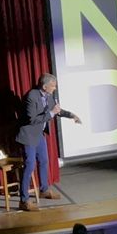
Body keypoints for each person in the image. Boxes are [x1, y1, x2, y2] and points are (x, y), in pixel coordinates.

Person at [15, 73, 81, 211]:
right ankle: (24, 200)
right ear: (45, 87)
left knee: (44, 161)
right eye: (53, 86)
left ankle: (44, 190)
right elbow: (32, 119)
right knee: (30, 165)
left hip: (39, 134)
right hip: (28, 135)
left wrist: (71, 115)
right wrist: (51, 113)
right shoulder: (31, 97)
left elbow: (57, 110)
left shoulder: (48, 95)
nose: (55, 88)